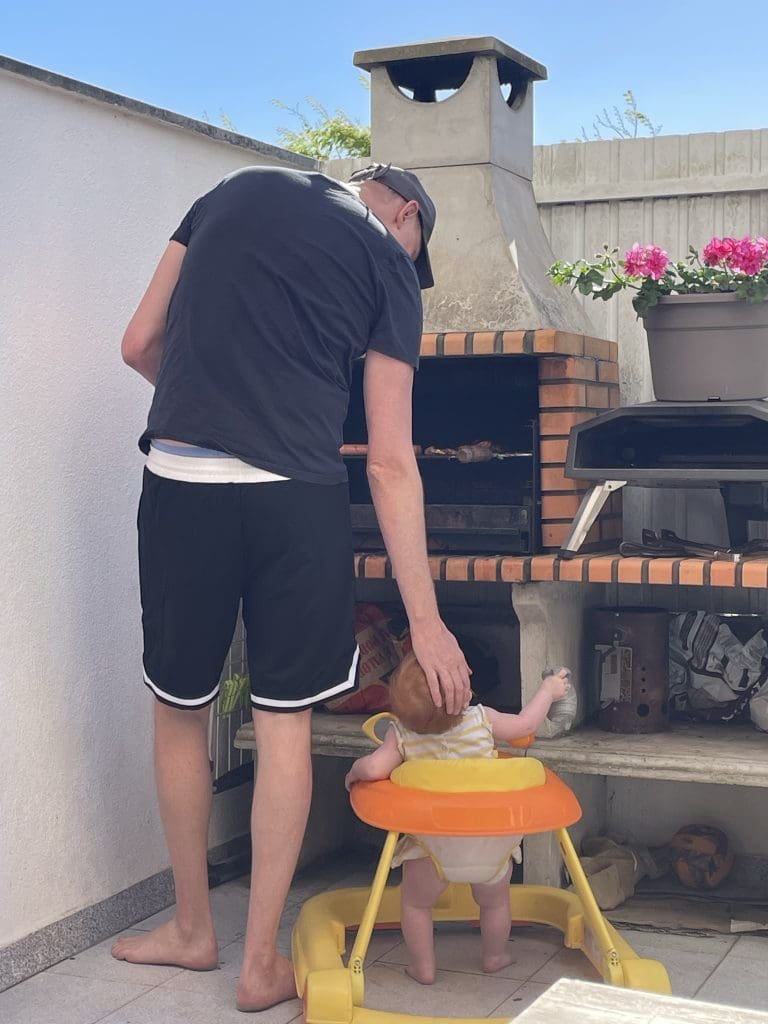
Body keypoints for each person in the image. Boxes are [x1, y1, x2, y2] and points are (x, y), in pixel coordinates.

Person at [111, 163, 472, 1011]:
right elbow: (389, 460)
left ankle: (192, 931)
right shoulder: (388, 265)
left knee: (181, 712)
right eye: (418, 248)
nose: (410, 262)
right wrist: (426, 624)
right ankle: (258, 965)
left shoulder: (230, 190)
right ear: (405, 214)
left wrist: (220, 412)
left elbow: (138, 345)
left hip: (182, 484)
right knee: (283, 724)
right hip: (295, 499)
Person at [344, 654, 571, 984]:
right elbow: (525, 726)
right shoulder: (482, 719)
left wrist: (352, 774)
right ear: (462, 693)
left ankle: (423, 967)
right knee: (495, 903)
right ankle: (494, 956)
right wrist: (549, 691)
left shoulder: (402, 733)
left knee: (416, 905)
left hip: (431, 845)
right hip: (490, 842)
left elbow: (375, 768)